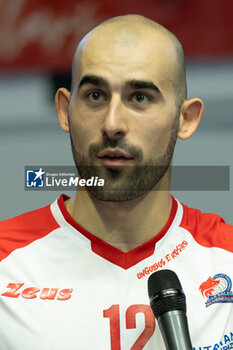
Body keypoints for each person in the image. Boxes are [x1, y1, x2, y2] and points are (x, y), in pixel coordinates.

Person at [0, 14, 232, 350]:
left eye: (139, 97)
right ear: (65, 111)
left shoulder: (226, 259)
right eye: (95, 96)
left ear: (186, 119)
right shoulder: (7, 263)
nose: (112, 123)